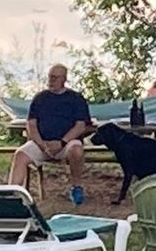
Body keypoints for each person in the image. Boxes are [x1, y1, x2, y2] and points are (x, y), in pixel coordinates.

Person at [8, 63, 94, 202]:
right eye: (49, 77)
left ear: (64, 79)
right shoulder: (40, 98)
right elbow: (31, 124)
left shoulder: (75, 99)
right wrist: (42, 145)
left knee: (77, 150)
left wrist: (62, 142)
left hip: (66, 143)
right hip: (42, 143)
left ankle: (76, 187)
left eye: (55, 78)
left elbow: (81, 126)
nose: (51, 81)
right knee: (20, 155)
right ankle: (12, 193)